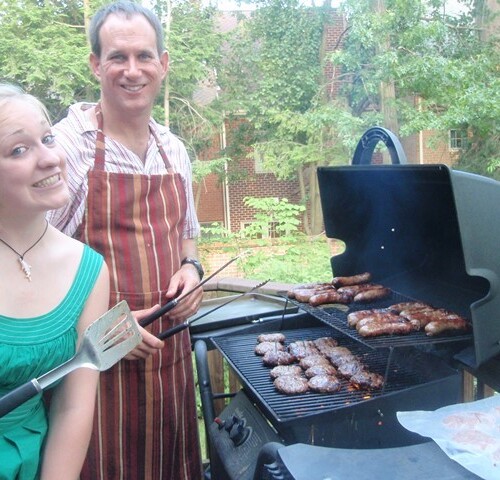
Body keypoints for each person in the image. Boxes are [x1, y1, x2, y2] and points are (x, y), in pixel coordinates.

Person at [46, 1, 205, 478]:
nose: (132, 71)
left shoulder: (173, 150)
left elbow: (188, 240)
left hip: (169, 368)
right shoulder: (65, 149)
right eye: (118, 57)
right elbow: (21, 266)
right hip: (91, 377)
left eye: (144, 56)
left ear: (163, 63)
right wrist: (105, 329)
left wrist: (191, 271)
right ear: (96, 64)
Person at [0, 84, 110, 479]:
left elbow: (74, 405)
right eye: (18, 149)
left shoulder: (90, 270)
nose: (50, 158)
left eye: (47, 138)